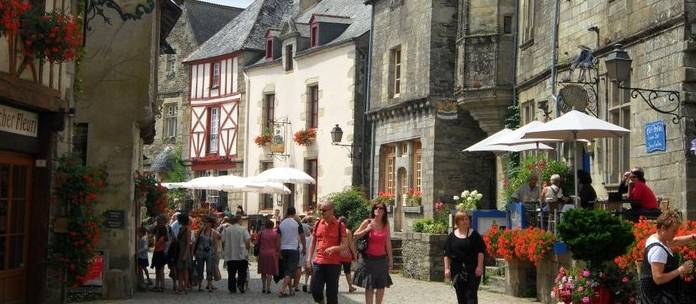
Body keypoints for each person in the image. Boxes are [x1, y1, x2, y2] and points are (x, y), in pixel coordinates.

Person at [639, 209, 695, 304]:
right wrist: (681, 269)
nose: (675, 233)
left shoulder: (655, 238)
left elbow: (675, 241)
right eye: (673, 231)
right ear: (663, 229)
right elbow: (658, 278)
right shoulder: (658, 250)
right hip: (658, 297)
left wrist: (693, 237)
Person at [306, 201, 349, 304]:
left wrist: (334, 248)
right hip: (319, 262)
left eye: (324, 210)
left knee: (332, 294)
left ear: (331, 211)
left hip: (333, 264)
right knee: (315, 289)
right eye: (320, 210)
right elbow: (313, 243)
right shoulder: (317, 224)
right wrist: (308, 259)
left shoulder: (340, 225)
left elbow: (345, 245)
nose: (321, 212)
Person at [353, 203, 393, 304]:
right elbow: (355, 236)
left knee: (381, 286)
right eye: (376, 208)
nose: (378, 209)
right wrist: (367, 230)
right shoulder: (367, 222)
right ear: (373, 210)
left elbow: (388, 242)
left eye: (381, 208)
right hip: (368, 260)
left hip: (381, 260)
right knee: (369, 285)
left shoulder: (386, 224)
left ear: (384, 211)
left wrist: (391, 260)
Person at [444, 210, 485, 304]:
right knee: (461, 297)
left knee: (471, 298)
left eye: (466, 219)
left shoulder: (474, 235)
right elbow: (447, 254)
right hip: (457, 272)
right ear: (457, 222)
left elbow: (481, 252)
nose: (465, 221)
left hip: (472, 271)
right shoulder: (451, 236)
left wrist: (479, 266)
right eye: (462, 219)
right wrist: (447, 268)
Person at [278, 207, 306, 297]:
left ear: (287, 212)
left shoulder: (282, 223)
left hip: (283, 248)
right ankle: (282, 289)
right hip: (293, 249)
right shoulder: (297, 223)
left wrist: (278, 250)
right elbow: (302, 237)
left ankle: (290, 290)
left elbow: (278, 238)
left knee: (286, 271)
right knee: (290, 271)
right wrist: (304, 248)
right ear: (294, 213)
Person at [222, 214, 251, 293]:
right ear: (238, 220)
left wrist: (225, 250)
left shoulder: (226, 230)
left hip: (230, 255)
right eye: (241, 219)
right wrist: (247, 249)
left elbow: (223, 241)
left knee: (231, 273)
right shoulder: (243, 229)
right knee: (242, 272)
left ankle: (232, 288)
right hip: (241, 254)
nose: (242, 221)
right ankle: (240, 284)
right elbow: (247, 240)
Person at [194, 216, 220, 292]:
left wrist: (215, 254)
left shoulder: (213, 232)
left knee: (209, 270)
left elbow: (215, 244)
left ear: (210, 223)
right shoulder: (200, 231)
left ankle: (209, 285)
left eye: (207, 222)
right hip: (200, 253)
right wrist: (193, 252)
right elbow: (196, 241)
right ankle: (200, 285)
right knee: (200, 269)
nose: (205, 223)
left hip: (210, 253)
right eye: (204, 222)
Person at [257, 219, 280, 294]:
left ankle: (263, 287)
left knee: (263, 271)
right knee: (270, 272)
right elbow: (277, 245)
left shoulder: (261, 233)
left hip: (262, 253)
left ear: (265, 225)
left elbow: (257, 243)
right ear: (272, 225)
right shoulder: (275, 234)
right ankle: (268, 288)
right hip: (272, 254)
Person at [338, 216, 358, 293]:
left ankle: (334, 286)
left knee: (336, 272)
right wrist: (355, 255)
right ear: (346, 223)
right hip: (346, 254)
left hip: (337, 254)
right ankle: (350, 287)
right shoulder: (348, 231)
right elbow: (351, 245)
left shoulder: (336, 231)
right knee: (347, 271)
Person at [174, 213, 192, 294]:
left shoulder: (188, 229)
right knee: (180, 270)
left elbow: (188, 243)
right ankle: (180, 286)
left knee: (185, 270)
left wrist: (185, 254)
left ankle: (185, 287)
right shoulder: (181, 228)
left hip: (184, 251)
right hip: (179, 251)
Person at [151, 218, 169, 292]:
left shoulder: (161, 238)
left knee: (159, 271)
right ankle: (159, 285)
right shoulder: (164, 237)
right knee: (159, 270)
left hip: (159, 253)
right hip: (161, 253)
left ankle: (161, 286)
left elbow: (156, 245)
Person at [301, 216, 315, 293]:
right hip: (313, 258)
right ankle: (310, 287)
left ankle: (305, 284)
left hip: (307, 258)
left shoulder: (307, 239)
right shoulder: (316, 240)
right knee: (313, 274)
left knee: (307, 273)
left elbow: (305, 248)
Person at [168, 212, 181, 291]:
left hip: (174, 247)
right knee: (176, 267)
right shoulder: (177, 223)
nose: (172, 217)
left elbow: (171, 234)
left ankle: (175, 284)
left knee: (173, 266)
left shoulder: (175, 224)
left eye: (174, 216)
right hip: (176, 246)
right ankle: (178, 284)